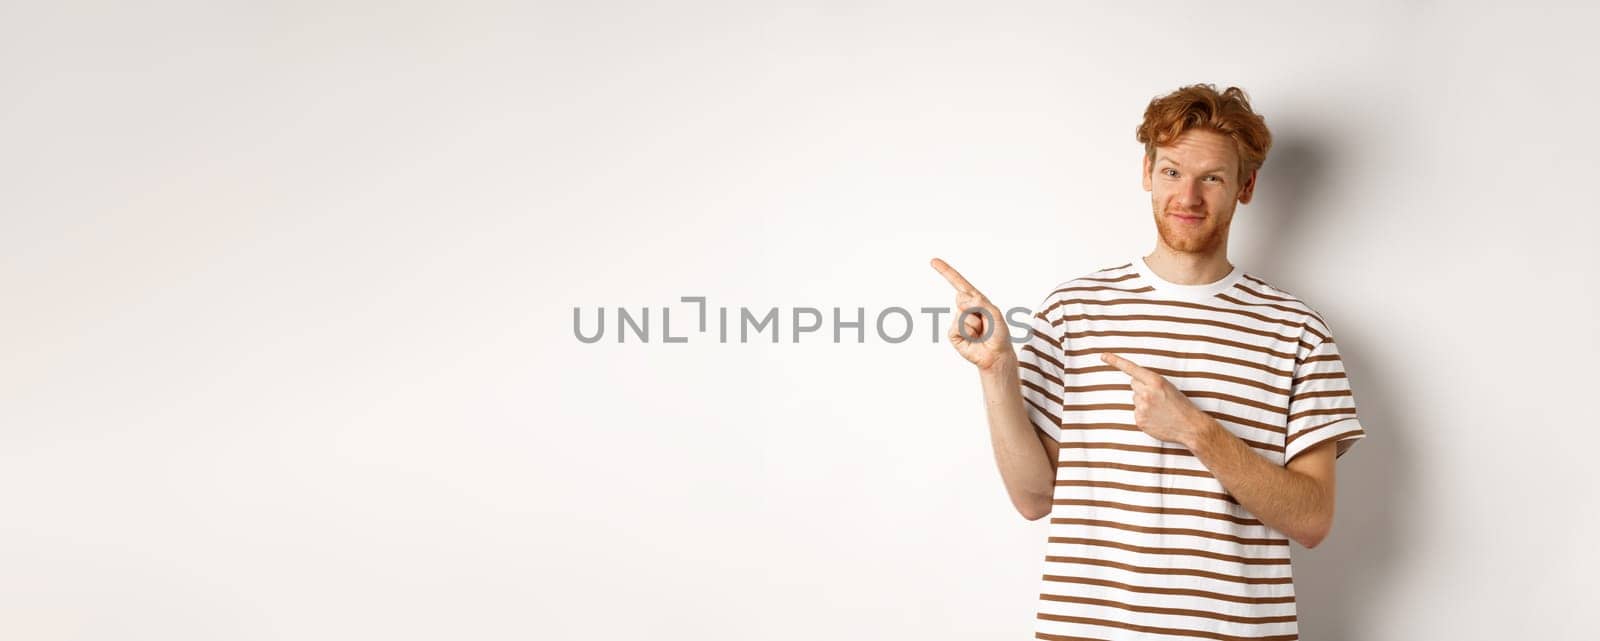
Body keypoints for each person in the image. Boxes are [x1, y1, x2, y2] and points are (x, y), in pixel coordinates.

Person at [930, 83, 1366, 640]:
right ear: (1146, 172)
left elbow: (1311, 520)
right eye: (1171, 172)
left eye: (1211, 177)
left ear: (1246, 186)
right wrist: (997, 373)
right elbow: (1034, 498)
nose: (1188, 196)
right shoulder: (1074, 310)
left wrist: (1194, 429)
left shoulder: (1297, 331)